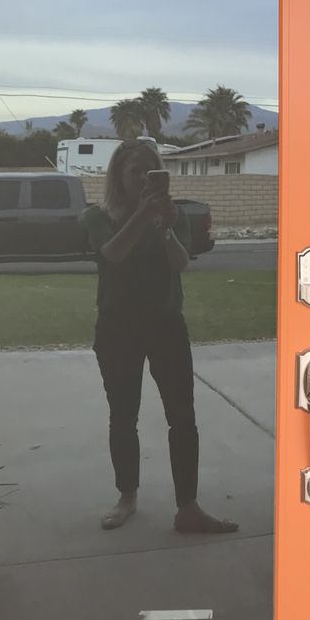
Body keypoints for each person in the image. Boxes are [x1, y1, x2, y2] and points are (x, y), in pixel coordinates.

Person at [81, 140, 238, 535]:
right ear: (119, 176)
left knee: (183, 418)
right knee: (123, 416)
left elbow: (182, 263)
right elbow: (113, 254)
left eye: (151, 172)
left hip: (166, 323)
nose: (142, 180)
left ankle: (188, 507)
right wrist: (142, 216)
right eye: (135, 172)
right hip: (118, 327)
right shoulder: (98, 216)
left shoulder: (172, 215)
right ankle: (127, 498)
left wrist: (166, 227)